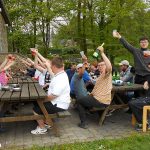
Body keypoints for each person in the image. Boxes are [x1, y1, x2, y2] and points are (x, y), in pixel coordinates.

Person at [31, 57, 70, 135]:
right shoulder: (60, 74)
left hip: (59, 105)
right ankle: (47, 123)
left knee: (36, 109)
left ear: (54, 66)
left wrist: (41, 101)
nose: (50, 67)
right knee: (36, 103)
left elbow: (53, 96)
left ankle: (42, 128)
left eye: (51, 66)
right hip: (57, 102)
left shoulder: (61, 78)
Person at [77, 45, 112, 129]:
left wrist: (102, 53)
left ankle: (83, 123)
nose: (100, 66)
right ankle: (100, 118)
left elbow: (109, 66)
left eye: (102, 65)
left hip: (101, 100)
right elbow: (97, 88)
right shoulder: (101, 75)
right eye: (99, 65)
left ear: (105, 66)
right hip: (101, 99)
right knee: (85, 98)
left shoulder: (106, 74)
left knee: (79, 101)